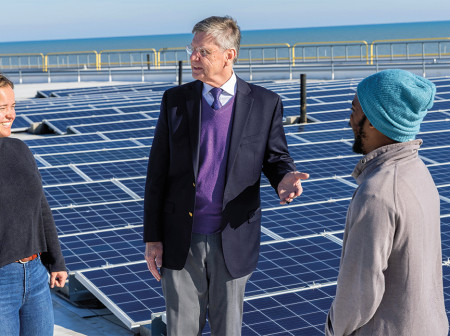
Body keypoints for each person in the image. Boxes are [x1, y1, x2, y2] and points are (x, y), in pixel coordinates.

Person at [143, 16, 308, 335]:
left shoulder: (264, 103)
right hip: (181, 238)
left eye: (203, 51)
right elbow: (157, 173)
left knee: (227, 329)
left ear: (229, 55)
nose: (193, 57)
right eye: (192, 49)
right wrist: (152, 237)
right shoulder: (175, 101)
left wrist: (284, 178)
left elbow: (275, 157)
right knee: (180, 329)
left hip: (232, 237)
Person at [325, 69, 449, 336]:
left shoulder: (377, 193)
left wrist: (334, 329)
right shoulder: (418, 172)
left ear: (373, 121)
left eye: (354, 110)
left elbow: (358, 292)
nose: (349, 120)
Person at [0, 74, 68, 336]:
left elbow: (41, 208)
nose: (11, 115)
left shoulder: (20, 149)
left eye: (13, 106)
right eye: (2, 108)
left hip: (36, 275)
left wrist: (56, 262)